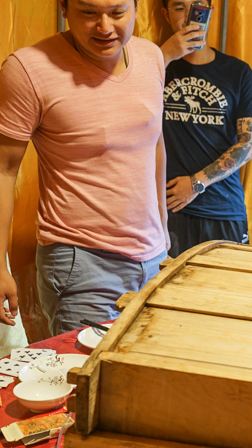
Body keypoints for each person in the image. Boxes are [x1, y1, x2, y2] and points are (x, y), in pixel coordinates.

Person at [0, 0, 169, 335]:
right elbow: (4, 170)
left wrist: (163, 231)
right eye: (89, 13)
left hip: (152, 256)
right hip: (80, 261)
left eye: (117, 13)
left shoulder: (152, 57)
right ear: (64, 9)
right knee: (83, 379)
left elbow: (155, 145)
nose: (105, 27)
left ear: (137, 8)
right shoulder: (28, 69)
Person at [159, 0, 252, 257]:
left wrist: (196, 183)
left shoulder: (237, 72)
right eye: (179, 7)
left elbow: (248, 145)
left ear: (211, 11)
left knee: (227, 293)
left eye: (197, 7)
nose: (188, 17)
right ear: (166, 14)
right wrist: (162, 57)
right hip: (167, 210)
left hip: (223, 209)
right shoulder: (154, 68)